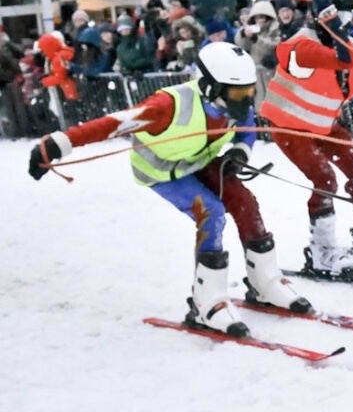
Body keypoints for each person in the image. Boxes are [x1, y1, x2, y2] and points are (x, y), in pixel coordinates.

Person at [26, 42, 310, 335]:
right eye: (239, 93)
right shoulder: (167, 106)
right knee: (210, 212)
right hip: (162, 171)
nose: (246, 99)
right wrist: (56, 145)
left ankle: (265, 283)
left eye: (250, 91)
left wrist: (239, 151)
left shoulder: (231, 102)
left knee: (245, 202)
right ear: (211, 86)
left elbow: (246, 120)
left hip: (199, 161)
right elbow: (111, 124)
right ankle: (207, 303)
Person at [259, 0, 353, 272]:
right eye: (340, 14)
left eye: (350, 14)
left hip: (323, 125)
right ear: (320, 15)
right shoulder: (299, 47)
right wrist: (335, 30)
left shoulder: (346, 44)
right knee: (324, 179)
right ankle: (322, 252)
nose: (347, 21)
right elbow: (343, 61)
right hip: (290, 127)